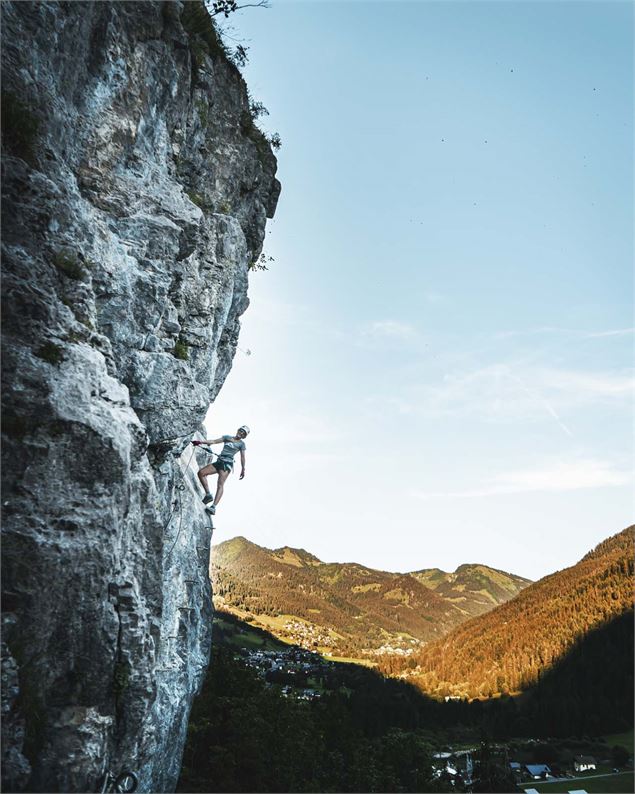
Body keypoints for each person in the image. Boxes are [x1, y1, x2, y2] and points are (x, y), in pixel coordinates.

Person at [193, 425, 249, 514]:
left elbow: (242, 457)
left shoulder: (241, 444)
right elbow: (214, 441)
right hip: (219, 462)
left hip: (226, 465)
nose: (241, 433)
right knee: (201, 473)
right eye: (241, 430)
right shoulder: (227, 437)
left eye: (243, 433)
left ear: (244, 436)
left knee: (220, 484)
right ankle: (208, 495)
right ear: (238, 430)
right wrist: (200, 442)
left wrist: (243, 469)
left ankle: (213, 507)